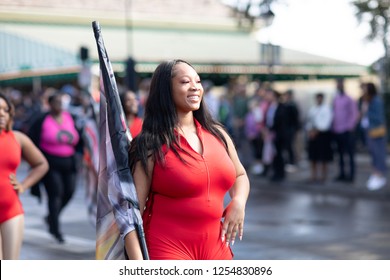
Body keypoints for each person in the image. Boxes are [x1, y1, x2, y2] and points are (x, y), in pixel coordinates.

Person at [125, 59, 250, 260]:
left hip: (217, 248)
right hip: (167, 248)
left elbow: (240, 175)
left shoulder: (218, 134)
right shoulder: (150, 143)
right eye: (185, 82)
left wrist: (238, 201)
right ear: (166, 90)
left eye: (198, 81)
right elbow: (131, 216)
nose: (195, 87)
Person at [0, 93, 49, 259]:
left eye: (5, 110)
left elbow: (41, 164)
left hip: (11, 211)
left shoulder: (18, 138)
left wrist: (24, 185)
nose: (2, 114)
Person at [28, 91, 80, 243]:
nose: (59, 105)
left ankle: (52, 216)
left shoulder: (70, 117)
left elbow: (79, 138)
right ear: (49, 104)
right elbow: (32, 141)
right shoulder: (42, 120)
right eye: (55, 102)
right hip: (50, 163)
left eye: (60, 102)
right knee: (55, 194)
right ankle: (55, 229)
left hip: (69, 162)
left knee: (69, 192)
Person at [360, 82, 388, 190]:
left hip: (377, 132)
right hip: (370, 132)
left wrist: (367, 112)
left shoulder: (376, 101)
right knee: (374, 154)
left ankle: (379, 176)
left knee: (379, 154)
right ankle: (375, 174)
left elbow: (378, 118)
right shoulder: (368, 101)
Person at [331, 78, 359, 183]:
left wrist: (350, 128)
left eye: (339, 84)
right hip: (337, 131)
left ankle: (351, 175)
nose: (338, 86)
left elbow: (354, 114)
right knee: (340, 154)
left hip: (347, 131)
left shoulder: (349, 99)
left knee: (350, 155)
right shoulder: (336, 99)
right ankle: (342, 174)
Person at [305, 93, 333, 183]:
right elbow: (309, 121)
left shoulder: (326, 109)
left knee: (323, 157)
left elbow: (326, 122)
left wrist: (317, 131)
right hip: (313, 135)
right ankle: (314, 174)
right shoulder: (313, 109)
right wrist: (310, 131)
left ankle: (323, 175)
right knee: (313, 157)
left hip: (322, 135)